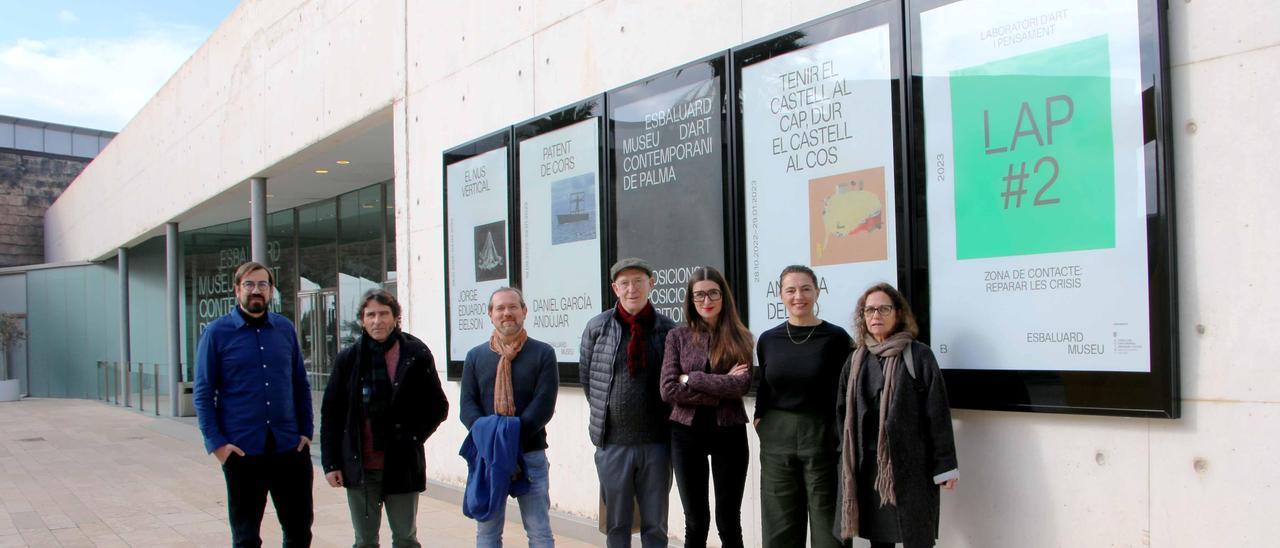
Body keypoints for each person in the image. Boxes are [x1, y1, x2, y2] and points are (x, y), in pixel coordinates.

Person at [193, 261, 314, 547]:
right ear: (237, 290)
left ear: (271, 291)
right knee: (246, 538)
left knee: (299, 532)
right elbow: (203, 393)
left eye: (262, 284)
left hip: (289, 448)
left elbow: (300, 383)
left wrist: (306, 431)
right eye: (249, 284)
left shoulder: (284, 329)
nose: (256, 290)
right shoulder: (217, 333)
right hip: (243, 452)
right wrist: (218, 446)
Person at [320, 288, 449, 548]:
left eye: (383, 314)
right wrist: (331, 463)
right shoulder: (349, 359)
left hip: (402, 463)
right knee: (365, 540)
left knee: (405, 538)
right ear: (362, 320)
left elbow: (437, 406)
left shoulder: (415, 354)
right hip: (360, 466)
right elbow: (331, 414)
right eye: (371, 315)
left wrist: (412, 437)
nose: (377, 320)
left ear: (395, 318)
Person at [836, 283, 958, 548]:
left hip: (911, 467)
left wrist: (945, 465)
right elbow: (842, 413)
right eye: (869, 310)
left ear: (898, 313)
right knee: (879, 540)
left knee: (916, 536)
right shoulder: (856, 360)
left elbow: (937, 412)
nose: (875, 316)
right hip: (869, 468)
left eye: (883, 309)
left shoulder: (918, 355)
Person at [580, 257, 677, 548]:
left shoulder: (668, 330)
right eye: (624, 283)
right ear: (615, 288)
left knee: (655, 526)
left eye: (638, 281)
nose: (631, 288)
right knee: (617, 525)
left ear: (651, 284)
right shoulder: (598, 328)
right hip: (613, 445)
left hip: (657, 444)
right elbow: (589, 381)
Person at [753, 265, 851, 548]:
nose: (799, 296)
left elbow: (845, 390)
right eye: (791, 290)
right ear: (781, 295)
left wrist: (837, 430)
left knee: (827, 517)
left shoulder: (836, 338)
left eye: (806, 289)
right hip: (776, 434)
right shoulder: (769, 339)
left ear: (817, 292)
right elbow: (765, 385)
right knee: (779, 519)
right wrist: (760, 418)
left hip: (821, 432)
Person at [659, 266, 754, 548]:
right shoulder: (677, 337)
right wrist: (720, 385)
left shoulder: (741, 337)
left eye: (713, 293)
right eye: (699, 295)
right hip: (686, 434)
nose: (706, 301)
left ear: (723, 296)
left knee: (728, 521)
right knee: (696, 521)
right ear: (690, 299)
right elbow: (668, 390)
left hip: (730, 432)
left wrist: (694, 379)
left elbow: (742, 386)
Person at [461, 287, 559, 547]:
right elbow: (467, 408)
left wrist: (509, 438)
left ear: (524, 311)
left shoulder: (543, 353)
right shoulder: (475, 357)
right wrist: (494, 439)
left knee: (539, 531)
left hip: (530, 454)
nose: (507, 313)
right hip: (489, 456)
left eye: (513, 307)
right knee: (487, 532)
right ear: (490, 314)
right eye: (500, 308)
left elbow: (544, 406)